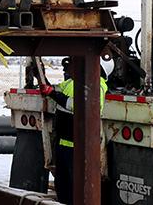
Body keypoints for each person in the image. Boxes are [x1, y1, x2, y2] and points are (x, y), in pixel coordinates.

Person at [39, 57, 111, 204]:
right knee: (63, 188)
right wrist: (40, 75)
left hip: (78, 149)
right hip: (63, 145)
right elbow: (53, 89)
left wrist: (53, 94)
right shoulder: (72, 82)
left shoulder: (98, 86)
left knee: (75, 190)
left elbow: (77, 104)